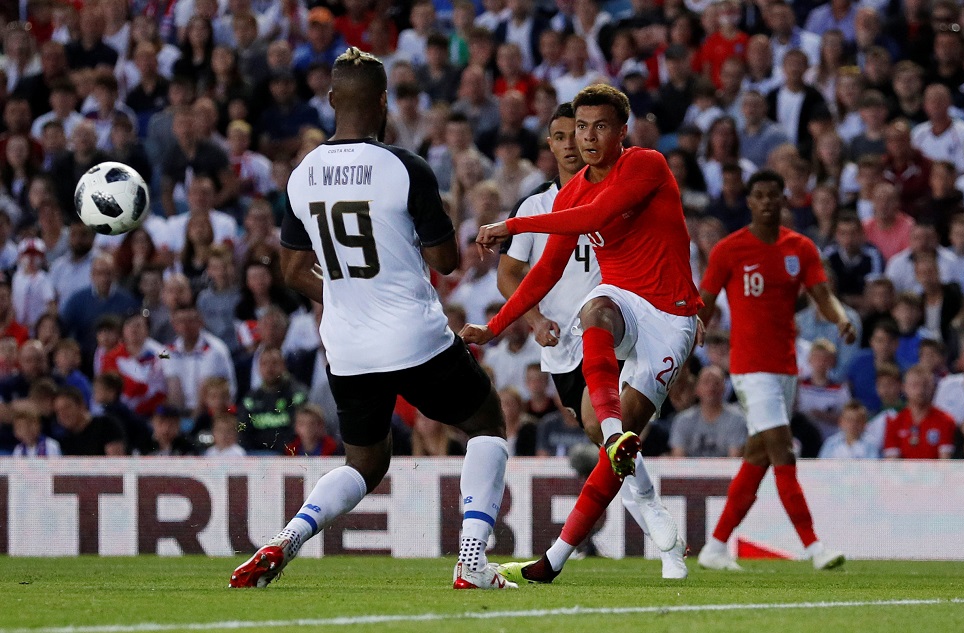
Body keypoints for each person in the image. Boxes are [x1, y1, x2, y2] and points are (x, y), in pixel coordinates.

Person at [230, 48, 513, 591]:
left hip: (347, 345)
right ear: (384, 102)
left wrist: (340, 291)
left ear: (332, 100)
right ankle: (472, 560)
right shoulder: (406, 168)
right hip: (413, 335)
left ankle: (286, 539)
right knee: (486, 424)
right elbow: (445, 261)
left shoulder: (303, 172)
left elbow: (291, 267)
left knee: (364, 462)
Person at [463, 84, 699, 583]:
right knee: (597, 309)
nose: (588, 138)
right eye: (581, 128)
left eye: (600, 127)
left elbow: (595, 216)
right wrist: (492, 328)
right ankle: (618, 442)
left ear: (621, 132)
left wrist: (512, 221)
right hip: (622, 302)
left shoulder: (646, 164)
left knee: (620, 435)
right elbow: (543, 272)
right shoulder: (570, 192)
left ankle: (557, 556)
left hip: (671, 316)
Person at [697, 169, 853, 572]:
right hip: (749, 368)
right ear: (750, 201)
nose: (767, 201)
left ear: (783, 200)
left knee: (759, 457)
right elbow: (705, 303)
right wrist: (691, 332)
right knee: (783, 450)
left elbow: (823, 295)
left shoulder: (800, 249)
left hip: (786, 367)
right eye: (759, 195)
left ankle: (714, 548)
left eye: (773, 195)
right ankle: (813, 546)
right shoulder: (729, 250)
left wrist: (840, 320)